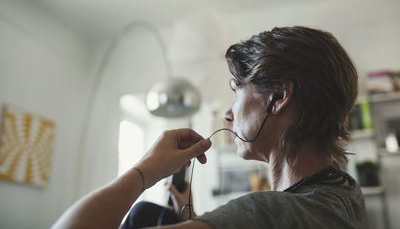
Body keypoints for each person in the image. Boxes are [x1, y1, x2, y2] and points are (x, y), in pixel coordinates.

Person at [52, 26, 367, 229]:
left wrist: (144, 170)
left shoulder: (267, 212)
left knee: (142, 216)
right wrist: (189, 209)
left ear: (279, 97)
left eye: (236, 91)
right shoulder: (343, 190)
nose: (228, 113)